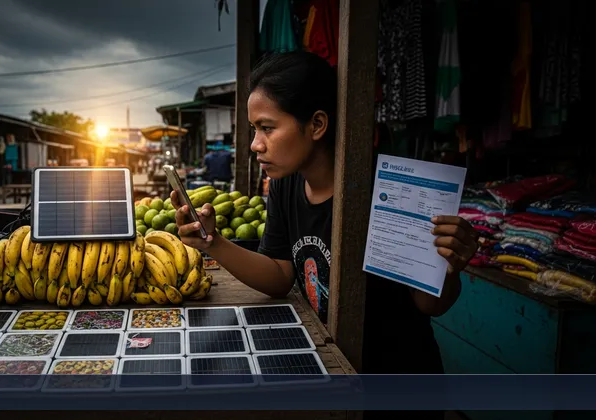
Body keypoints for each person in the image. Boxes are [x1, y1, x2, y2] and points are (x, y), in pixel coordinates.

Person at [172, 51, 478, 419]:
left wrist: (449, 268)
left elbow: (430, 305)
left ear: (316, 124)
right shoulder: (286, 185)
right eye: (255, 129)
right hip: (336, 378)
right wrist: (214, 243)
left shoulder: (387, 192)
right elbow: (281, 275)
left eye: (267, 128)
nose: (255, 144)